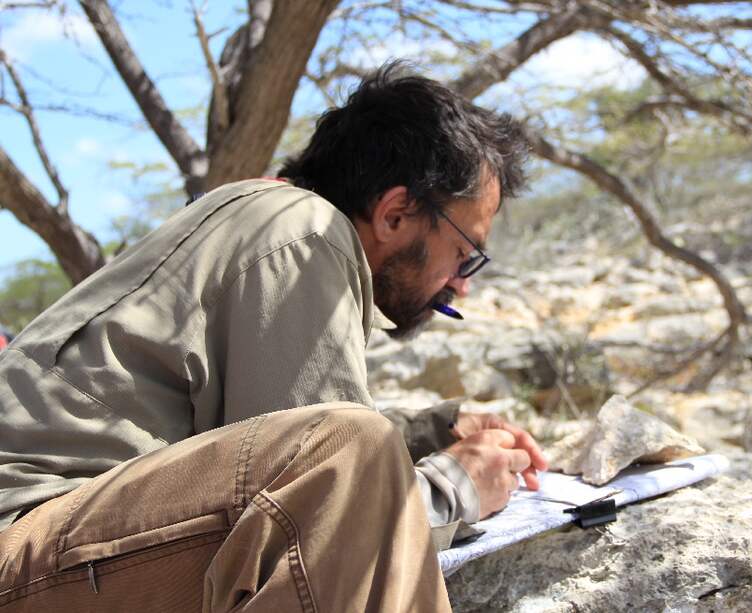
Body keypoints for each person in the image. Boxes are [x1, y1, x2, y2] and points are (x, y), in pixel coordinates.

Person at [0, 63, 546, 612]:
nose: (462, 286)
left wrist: (432, 431)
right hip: (23, 544)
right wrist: (458, 485)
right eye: (465, 254)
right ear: (395, 214)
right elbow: (325, 496)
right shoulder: (302, 229)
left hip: (57, 540)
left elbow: (260, 451)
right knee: (352, 446)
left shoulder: (268, 219)